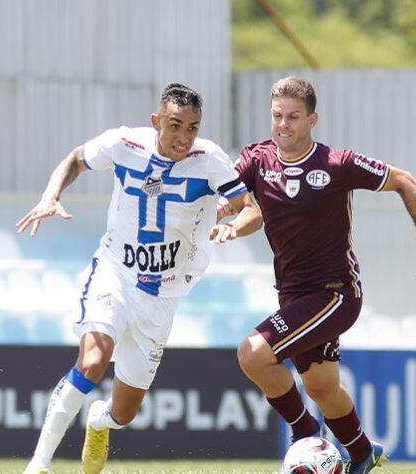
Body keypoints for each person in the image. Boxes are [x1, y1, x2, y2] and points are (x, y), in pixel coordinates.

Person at [17, 83, 262, 474]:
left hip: (163, 295)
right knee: (93, 360)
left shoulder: (210, 159)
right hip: (115, 271)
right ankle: (39, 462)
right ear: (156, 121)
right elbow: (76, 159)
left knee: (125, 412)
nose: (183, 137)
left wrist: (234, 224)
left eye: (192, 128)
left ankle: (100, 421)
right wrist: (51, 195)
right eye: (175, 125)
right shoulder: (125, 144)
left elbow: (250, 208)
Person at [226, 76, 416, 473]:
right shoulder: (258, 159)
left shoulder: (336, 164)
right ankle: (363, 453)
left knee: (252, 355)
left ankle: (305, 434)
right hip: (293, 294)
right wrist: (227, 218)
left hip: (335, 293)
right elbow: (241, 202)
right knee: (322, 388)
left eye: (294, 116)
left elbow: (405, 181)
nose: (283, 124)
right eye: (277, 116)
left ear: (313, 119)